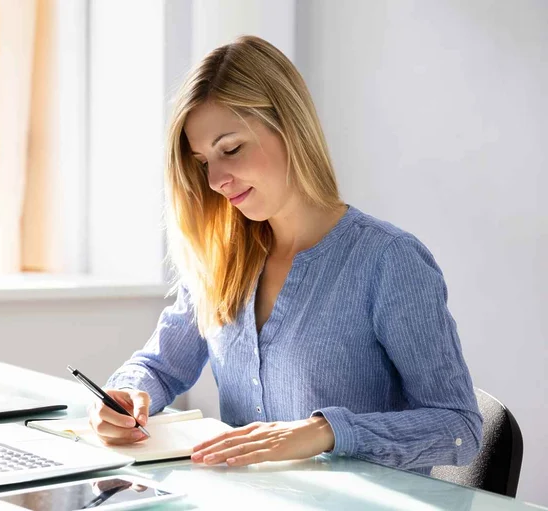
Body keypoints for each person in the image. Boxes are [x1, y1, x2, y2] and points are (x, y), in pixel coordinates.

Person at [89, 35, 482, 474]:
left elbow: (458, 429)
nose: (216, 178)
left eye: (231, 148)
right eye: (202, 162)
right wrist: (125, 397)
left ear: (289, 127)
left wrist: (324, 432)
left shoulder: (389, 262)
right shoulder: (220, 258)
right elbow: (159, 368)